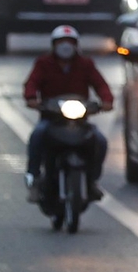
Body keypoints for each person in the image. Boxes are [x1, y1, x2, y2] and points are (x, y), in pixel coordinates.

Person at [22, 26, 112, 202]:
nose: (65, 46)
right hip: (52, 119)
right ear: (54, 45)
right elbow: (31, 83)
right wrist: (32, 98)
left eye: (70, 42)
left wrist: (106, 101)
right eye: (61, 42)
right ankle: (33, 177)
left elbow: (101, 85)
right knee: (38, 135)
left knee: (99, 141)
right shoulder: (43, 63)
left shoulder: (86, 64)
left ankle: (92, 181)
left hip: (80, 122)